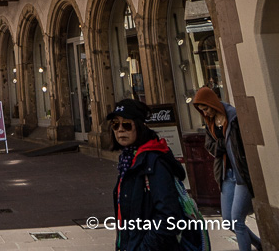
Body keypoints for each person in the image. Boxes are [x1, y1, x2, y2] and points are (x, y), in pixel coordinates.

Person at [108, 98, 187, 251]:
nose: (120, 130)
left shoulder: (153, 161)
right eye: (115, 124)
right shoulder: (128, 160)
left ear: (139, 125)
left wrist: (143, 248)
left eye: (126, 124)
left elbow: (169, 217)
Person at [194, 87, 262, 251]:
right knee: (228, 221)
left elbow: (244, 143)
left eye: (206, 108)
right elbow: (209, 146)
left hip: (241, 173)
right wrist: (223, 144)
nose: (205, 113)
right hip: (226, 174)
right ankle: (259, 243)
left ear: (212, 103)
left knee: (237, 219)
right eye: (202, 111)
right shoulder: (210, 123)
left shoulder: (233, 117)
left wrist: (222, 145)